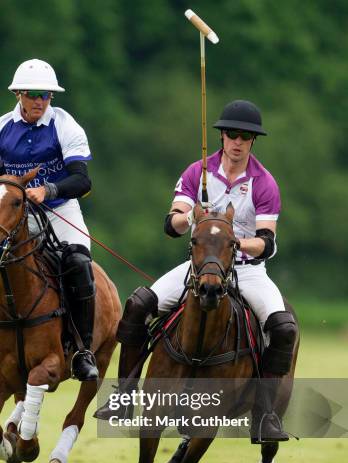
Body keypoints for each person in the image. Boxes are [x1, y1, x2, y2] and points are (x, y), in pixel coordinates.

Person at [116, 99, 297, 441]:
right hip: (199, 269)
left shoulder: (264, 183)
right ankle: (124, 394)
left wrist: (229, 242)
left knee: (284, 328)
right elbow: (172, 224)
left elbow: (267, 242)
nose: (237, 141)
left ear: (253, 140)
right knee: (138, 304)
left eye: (245, 136)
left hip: (248, 271)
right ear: (222, 137)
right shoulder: (196, 173)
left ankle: (265, 415)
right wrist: (194, 217)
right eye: (231, 134)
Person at [0, 58, 98, 381]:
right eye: (33, 95)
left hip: (60, 210)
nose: (40, 101)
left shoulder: (66, 126)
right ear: (18, 95)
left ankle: (82, 350)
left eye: (46, 95)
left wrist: (49, 188)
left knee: (79, 262)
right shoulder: (3, 128)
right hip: (14, 212)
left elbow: (82, 181)